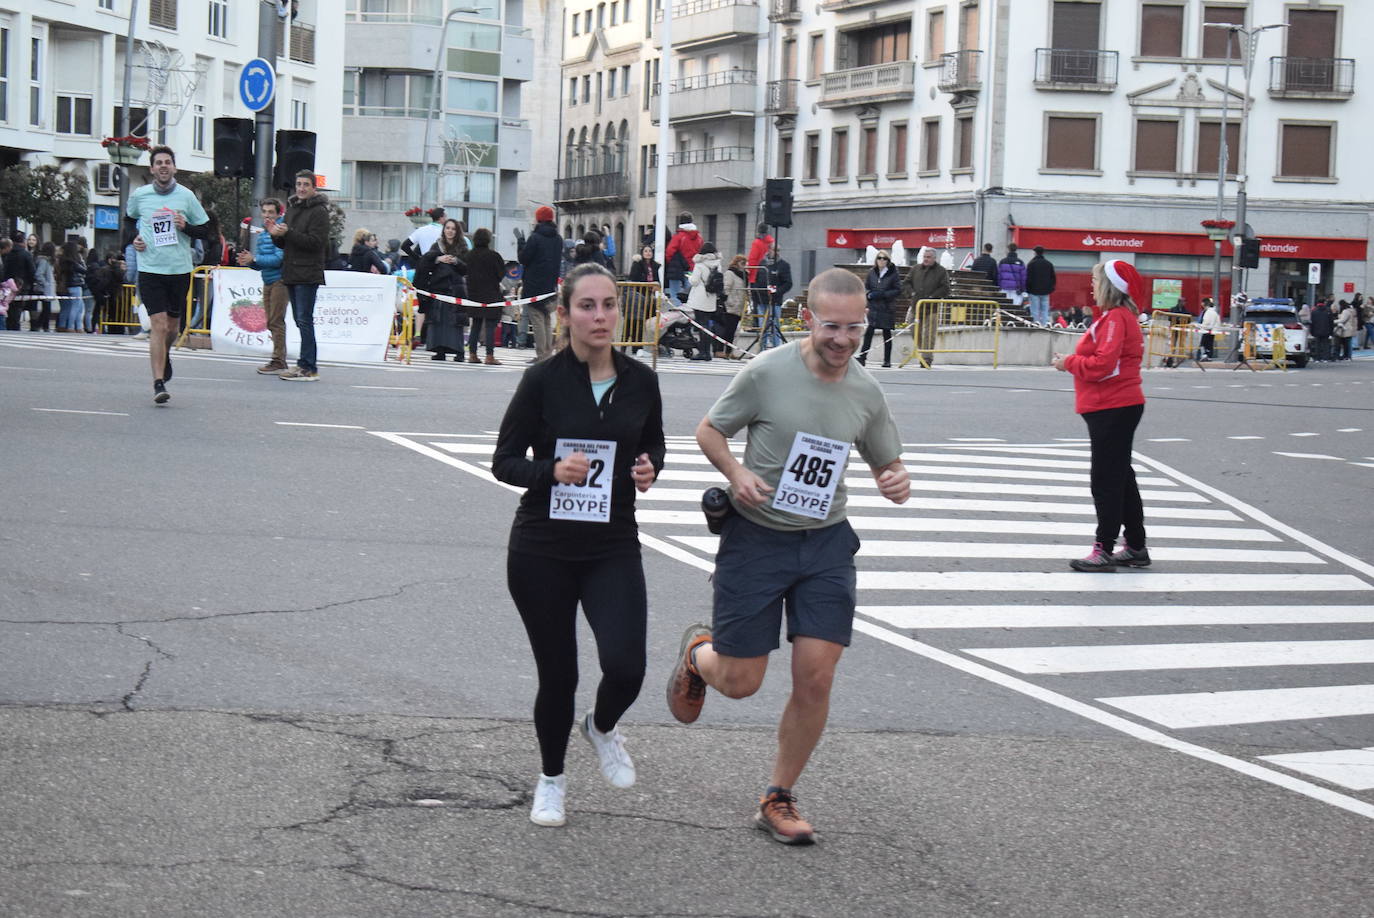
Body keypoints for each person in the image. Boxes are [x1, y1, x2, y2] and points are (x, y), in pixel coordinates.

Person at [666, 268, 909, 845]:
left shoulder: (866, 391)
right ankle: (700, 656)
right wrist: (736, 472)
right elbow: (709, 430)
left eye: (855, 328)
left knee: (816, 678)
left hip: (826, 542)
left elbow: (886, 462)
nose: (843, 340)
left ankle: (778, 795)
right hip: (757, 537)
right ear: (808, 320)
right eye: (832, 327)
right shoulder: (766, 372)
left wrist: (896, 480)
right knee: (743, 681)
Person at [492, 262, 666, 828]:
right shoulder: (542, 380)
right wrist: (551, 471)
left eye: (609, 304)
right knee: (559, 676)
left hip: (611, 542)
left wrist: (648, 469)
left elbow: (653, 447)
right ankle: (551, 780)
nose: (600, 316)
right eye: (587, 306)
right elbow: (505, 462)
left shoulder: (641, 380)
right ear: (564, 315)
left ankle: (602, 726)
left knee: (627, 667)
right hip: (542, 546)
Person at [1051, 260, 1149, 572]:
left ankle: (1104, 548)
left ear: (1108, 286)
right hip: (1115, 404)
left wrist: (1069, 362)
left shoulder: (1116, 319)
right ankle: (1135, 546)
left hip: (1113, 405)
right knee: (1121, 478)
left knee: (1106, 480)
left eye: (1094, 281)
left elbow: (1103, 365)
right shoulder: (1117, 317)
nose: (1091, 286)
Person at [127, 145, 212, 403]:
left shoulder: (186, 196)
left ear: (174, 167)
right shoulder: (140, 195)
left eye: (167, 162)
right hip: (150, 269)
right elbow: (128, 220)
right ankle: (158, 382)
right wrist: (135, 240)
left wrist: (185, 227)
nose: (163, 166)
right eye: (158, 163)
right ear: (152, 168)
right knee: (159, 324)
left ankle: (164, 355)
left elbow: (206, 229)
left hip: (179, 269)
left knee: (173, 327)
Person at [270, 170, 331, 382]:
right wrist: (276, 235)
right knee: (299, 319)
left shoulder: (319, 211)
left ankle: (308, 366)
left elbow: (316, 242)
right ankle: (304, 364)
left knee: (305, 320)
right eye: (298, 184)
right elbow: (286, 242)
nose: (301, 188)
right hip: (292, 271)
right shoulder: (293, 208)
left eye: (306, 184)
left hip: (308, 272)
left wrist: (288, 233)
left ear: (314, 187)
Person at [237, 197, 289, 374]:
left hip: (280, 280)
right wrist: (250, 261)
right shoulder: (263, 234)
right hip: (268, 280)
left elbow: (279, 258)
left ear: (278, 213)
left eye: (271, 212)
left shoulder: (280, 230)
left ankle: (279, 360)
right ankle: (278, 359)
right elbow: (261, 261)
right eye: (264, 212)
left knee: (276, 320)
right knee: (271, 321)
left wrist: (255, 259)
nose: (267, 215)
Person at [417, 218, 470, 361]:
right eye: (448, 228)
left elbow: (466, 268)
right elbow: (425, 263)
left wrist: (456, 261)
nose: (450, 231)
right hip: (438, 287)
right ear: (444, 229)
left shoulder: (463, 246)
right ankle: (439, 350)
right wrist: (438, 259)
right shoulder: (437, 245)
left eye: (453, 228)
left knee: (455, 322)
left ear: (457, 231)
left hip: (455, 288)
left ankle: (459, 351)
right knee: (437, 320)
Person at [519, 205, 563, 360]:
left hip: (533, 286)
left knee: (537, 320)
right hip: (550, 286)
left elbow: (524, 259)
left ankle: (542, 355)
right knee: (546, 320)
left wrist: (521, 244)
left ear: (539, 219)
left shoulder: (535, 237)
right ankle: (547, 353)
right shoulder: (558, 239)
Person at [902, 246, 951, 366]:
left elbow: (945, 288)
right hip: (916, 306)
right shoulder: (916, 269)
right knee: (913, 330)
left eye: (928, 257)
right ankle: (922, 351)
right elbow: (906, 282)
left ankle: (927, 358)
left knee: (929, 334)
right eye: (924, 257)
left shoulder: (941, 271)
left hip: (931, 308)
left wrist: (933, 296)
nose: (926, 259)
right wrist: (911, 293)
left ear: (934, 258)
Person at [464, 227, 505, 365]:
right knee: (490, 326)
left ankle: (472, 354)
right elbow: (500, 274)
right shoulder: (494, 256)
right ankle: (489, 356)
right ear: (488, 239)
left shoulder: (469, 256)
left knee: (475, 325)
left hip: (474, 294)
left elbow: (464, 271)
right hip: (491, 294)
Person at [859, 250, 900, 367]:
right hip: (874, 307)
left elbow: (897, 290)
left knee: (886, 333)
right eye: (879, 258)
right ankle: (863, 356)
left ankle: (887, 360)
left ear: (888, 261)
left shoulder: (893, 273)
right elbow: (866, 287)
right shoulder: (872, 272)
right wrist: (868, 294)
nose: (881, 260)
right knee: (869, 332)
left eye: (884, 258)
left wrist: (883, 294)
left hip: (886, 307)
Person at [686, 242, 722, 361]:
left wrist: (689, 277)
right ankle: (708, 351)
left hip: (700, 297)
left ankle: (703, 352)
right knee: (707, 324)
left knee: (701, 325)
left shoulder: (700, 264)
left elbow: (695, 281)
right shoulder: (718, 264)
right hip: (711, 297)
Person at [756, 244, 792, 350]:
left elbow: (788, 283)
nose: (776, 252)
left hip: (775, 301)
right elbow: (757, 280)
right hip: (762, 300)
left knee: (775, 327)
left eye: (778, 250)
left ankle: (777, 349)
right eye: (774, 250)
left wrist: (777, 292)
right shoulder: (762, 264)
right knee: (763, 326)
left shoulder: (783, 265)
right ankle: (761, 349)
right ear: (769, 250)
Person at [663, 214, 702, 304]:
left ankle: (679, 312)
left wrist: (671, 263)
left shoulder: (679, 236)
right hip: (692, 269)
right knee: (690, 292)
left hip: (678, 268)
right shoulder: (699, 237)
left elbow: (669, 252)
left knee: (675, 293)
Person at [3, 231, 36, 331]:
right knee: (17, 311)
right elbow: (32, 271)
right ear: (23, 241)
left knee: (7, 308)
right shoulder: (26, 254)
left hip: (6, 286)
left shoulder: (6, 254)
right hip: (21, 286)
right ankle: (15, 329)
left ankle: (8, 328)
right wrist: (31, 283)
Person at [719, 253, 748, 357]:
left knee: (733, 330)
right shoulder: (730, 273)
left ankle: (730, 351)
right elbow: (726, 288)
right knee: (729, 330)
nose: (744, 265)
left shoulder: (744, 275)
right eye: (742, 263)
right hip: (731, 305)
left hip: (739, 305)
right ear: (736, 263)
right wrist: (728, 302)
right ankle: (726, 351)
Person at [1025, 245, 1056, 326]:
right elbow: (1053, 277)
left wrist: (1028, 289)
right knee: (1044, 310)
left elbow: (1028, 278)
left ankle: (1036, 324)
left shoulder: (1031, 264)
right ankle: (1044, 324)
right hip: (1046, 291)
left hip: (1033, 290)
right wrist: (1051, 288)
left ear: (1035, 253)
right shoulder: (1048, 264)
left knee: (1035, 309)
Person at [33, 241, 55, 332]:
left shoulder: (46, 260)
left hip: (45, 287)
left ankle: (42, 325)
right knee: (47, 308)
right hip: (44, 288)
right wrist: (45, 283)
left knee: (46, 308)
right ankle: (43, 326)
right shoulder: (44, 261)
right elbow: (39, 274)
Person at [746, 223, 773, 287]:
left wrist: (749, 271)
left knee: (756, 295)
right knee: (769, 295)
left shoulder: (757, 243)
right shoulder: (771, 242)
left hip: (756, 276)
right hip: (769, 276)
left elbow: (752, 259)